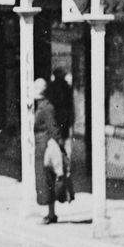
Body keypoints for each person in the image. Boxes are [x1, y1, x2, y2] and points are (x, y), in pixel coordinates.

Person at [31, 77, 64, 224]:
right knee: (44, 180)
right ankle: (50, 212)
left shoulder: (46, 108)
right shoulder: (42, 106)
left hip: (45, 147)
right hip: (41, 146)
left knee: (47, 180)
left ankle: (51, 214)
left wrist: (59, 147)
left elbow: (53, 129)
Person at [47, 68, 77, 202]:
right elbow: (70, 107)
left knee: (54, 155)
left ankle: (60, 187)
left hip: (55, 124)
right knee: (64, 154)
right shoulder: (67, 87)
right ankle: (66, 187)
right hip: (64, 123)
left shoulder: (52, 88)